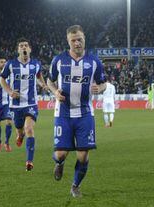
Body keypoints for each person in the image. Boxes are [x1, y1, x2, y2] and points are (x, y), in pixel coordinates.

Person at [47, 25, 106, 197]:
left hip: (85, 114)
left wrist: (99, 88)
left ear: (84, 39)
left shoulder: (94, 61)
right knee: (60, 153)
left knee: (83, 156)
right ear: (68, 41)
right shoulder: (58, 60)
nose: (77, 43)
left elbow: (103, 83)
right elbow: (50, 82)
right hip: (63, 114)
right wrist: (55, 92)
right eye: (73, 40)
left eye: (79, 39)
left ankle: (75, 185)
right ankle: (59, 163)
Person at [0, 38, 48, 171]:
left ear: (30, 49)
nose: (24, 48)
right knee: (20, 130)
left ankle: (29, 161)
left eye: (26, 46)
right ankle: (20, 136)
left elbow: (38, 76)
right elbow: (2, 79)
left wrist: (42, 84)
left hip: (31, 103)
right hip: (15, 105)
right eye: (21, 46)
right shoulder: (11, 64)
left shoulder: (36, 64)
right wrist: (9, 91)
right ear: (18, 50)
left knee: (29, 129)